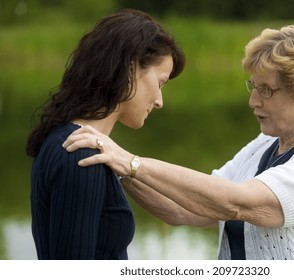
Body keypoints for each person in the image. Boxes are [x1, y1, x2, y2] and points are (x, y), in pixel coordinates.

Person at [62, 25, 294, 260]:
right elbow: (185, 209)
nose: (253, 100)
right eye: (253, 86)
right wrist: (113, 164)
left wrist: (131, 162)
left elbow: (238, 202)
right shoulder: (263, 146)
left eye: (266, 90)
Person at [26, 9, 185, 259]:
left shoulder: (67, 140)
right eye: (160, 82)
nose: (159, 101)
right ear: (131, 67)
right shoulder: (81, 154)